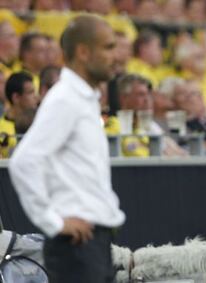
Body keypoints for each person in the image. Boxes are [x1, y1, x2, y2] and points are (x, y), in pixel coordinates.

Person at [8, 15, 126, 283]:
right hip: (76, 247)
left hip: (91, 244)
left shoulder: (82, 99)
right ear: (83, 52)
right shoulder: (65, 100)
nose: (115, 56)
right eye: (108, 47)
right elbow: (23, 162)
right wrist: (53, 223)